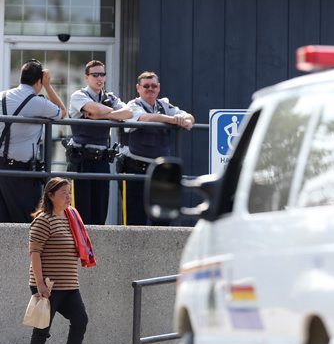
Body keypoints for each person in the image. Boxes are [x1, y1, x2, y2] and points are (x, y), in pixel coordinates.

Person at [25, 177, 95, 344]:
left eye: (70, 192)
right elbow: (34, 253)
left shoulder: (70, 217)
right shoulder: (43, 220)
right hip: (48, 285)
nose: (69, 197)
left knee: (80, 320)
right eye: (64, 193)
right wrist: (40, 285)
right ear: (50, 196)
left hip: (70, 285)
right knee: (42, 328)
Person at [118, 71, 194, 225]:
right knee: (134, 220)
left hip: (160, 171)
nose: (150, 89)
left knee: (162, 219)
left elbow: (189, 116)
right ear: (138, 88)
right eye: (146, 86)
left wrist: (186, 120)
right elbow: (146, 118)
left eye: (153, 86)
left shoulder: (164, 105)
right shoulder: (132, 106)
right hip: (135, 169)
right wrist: (173, 120)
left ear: (158, 88)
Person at [66, 60, 132, 224]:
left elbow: (129, 113)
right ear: (86, 77)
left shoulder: (110, 97)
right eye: (95, 74)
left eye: (102, 74)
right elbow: (95, 109)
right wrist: (111, 113)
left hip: (102, 162)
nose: (99, 78)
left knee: (100, 213)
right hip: (81, 162)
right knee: (80, 216)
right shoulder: (78, 95)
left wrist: (102, 115)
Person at [0, 59, 66, 223]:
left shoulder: (2, 96)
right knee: (29, 223)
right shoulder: (39, 103)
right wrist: (48, 86)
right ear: (39, 81)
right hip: (23, 173)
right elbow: (63, 112)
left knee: (4, 221)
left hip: (2, 169)